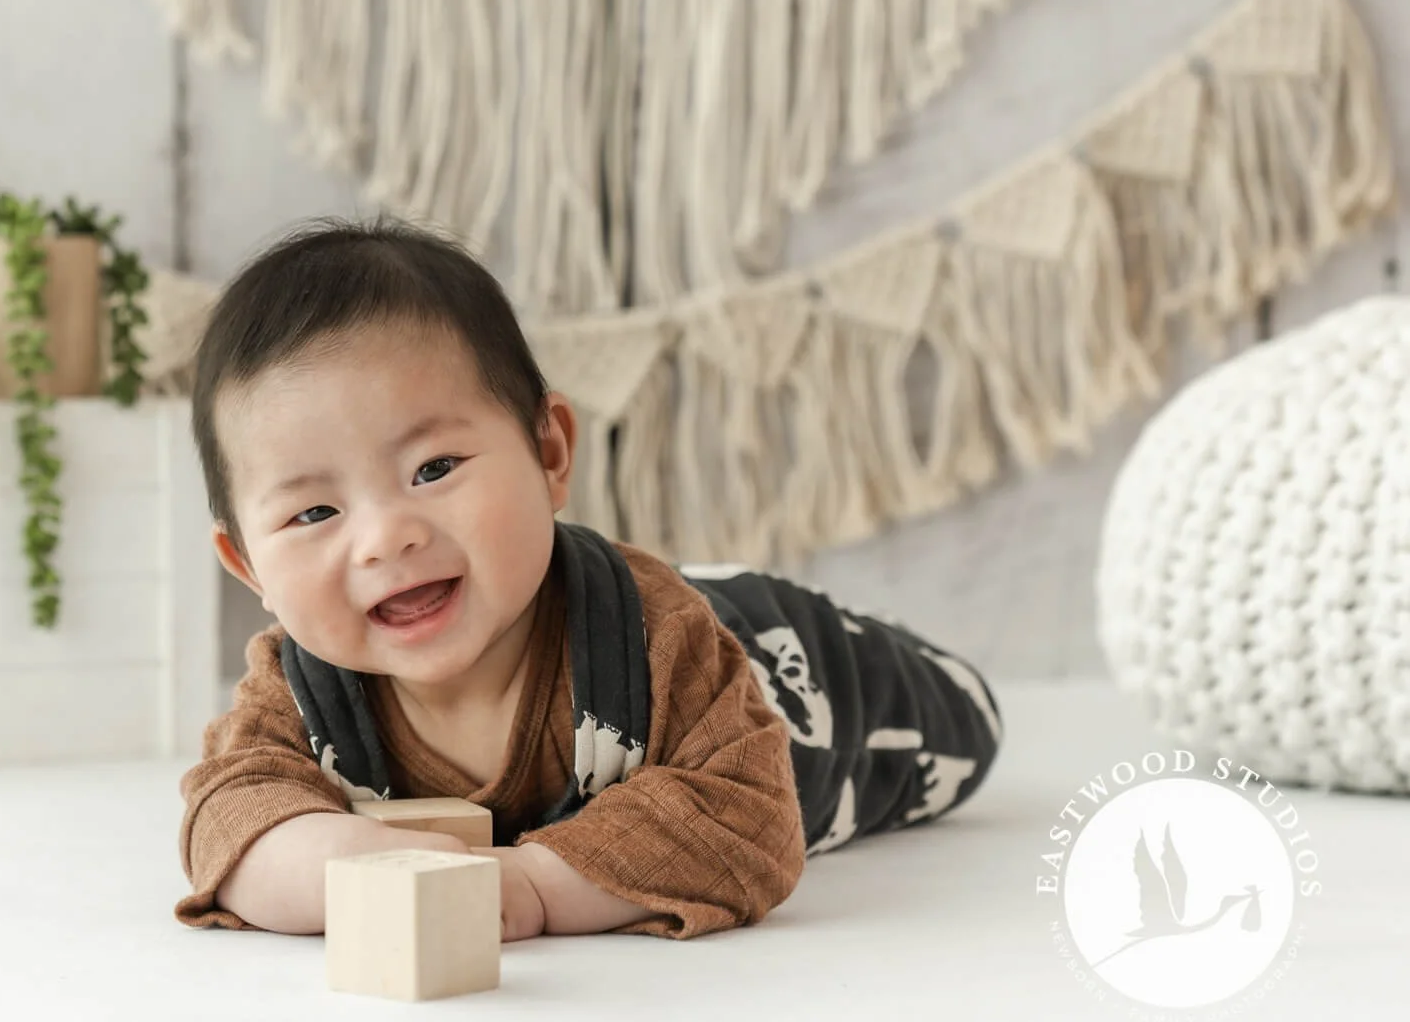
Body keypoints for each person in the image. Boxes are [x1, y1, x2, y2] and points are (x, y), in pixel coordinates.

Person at [173, 215, 1003, 942]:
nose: (387, 538)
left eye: (434, 468)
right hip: (628, 604)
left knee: (958, 718)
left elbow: (747, 817)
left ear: (549, 453)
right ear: (249, 567)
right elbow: (229, 819)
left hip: (788, 671)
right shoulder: (300, 690)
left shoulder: (658, 638)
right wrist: (344, 866)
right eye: (315, 513)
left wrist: (534, 886)